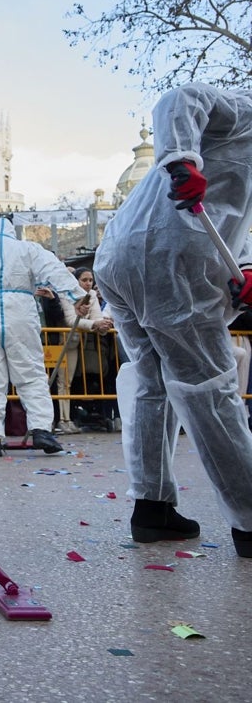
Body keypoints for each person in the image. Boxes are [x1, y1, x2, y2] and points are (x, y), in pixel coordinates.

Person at [94, 83, 252, 557]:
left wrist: (245, 268)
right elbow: (180, 99)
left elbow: (238, 219)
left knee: (152, 381)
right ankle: (250, 518)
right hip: (172, 259)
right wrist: (182, 159)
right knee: (209, 388)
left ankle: (153, 507)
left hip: (121, 257)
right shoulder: (247, 111)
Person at [0, 215, 83, 457]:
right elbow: (53, 268)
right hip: (20, 311)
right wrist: (76, 295)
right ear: (13, 229)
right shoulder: (28, 249)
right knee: (31, 372)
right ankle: (42, 428)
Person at [54, 267, 111, 434]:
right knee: (64, 381)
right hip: (66, 341)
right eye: (84, 280)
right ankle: (64, 419)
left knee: (75, 382)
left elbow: (96, 317)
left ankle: (69, 417)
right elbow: (71, 319)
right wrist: (95, 325)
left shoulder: (92, 296)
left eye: (90, 280)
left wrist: (103, 325)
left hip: (84, 343)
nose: (87, 284)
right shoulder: (66, 293)